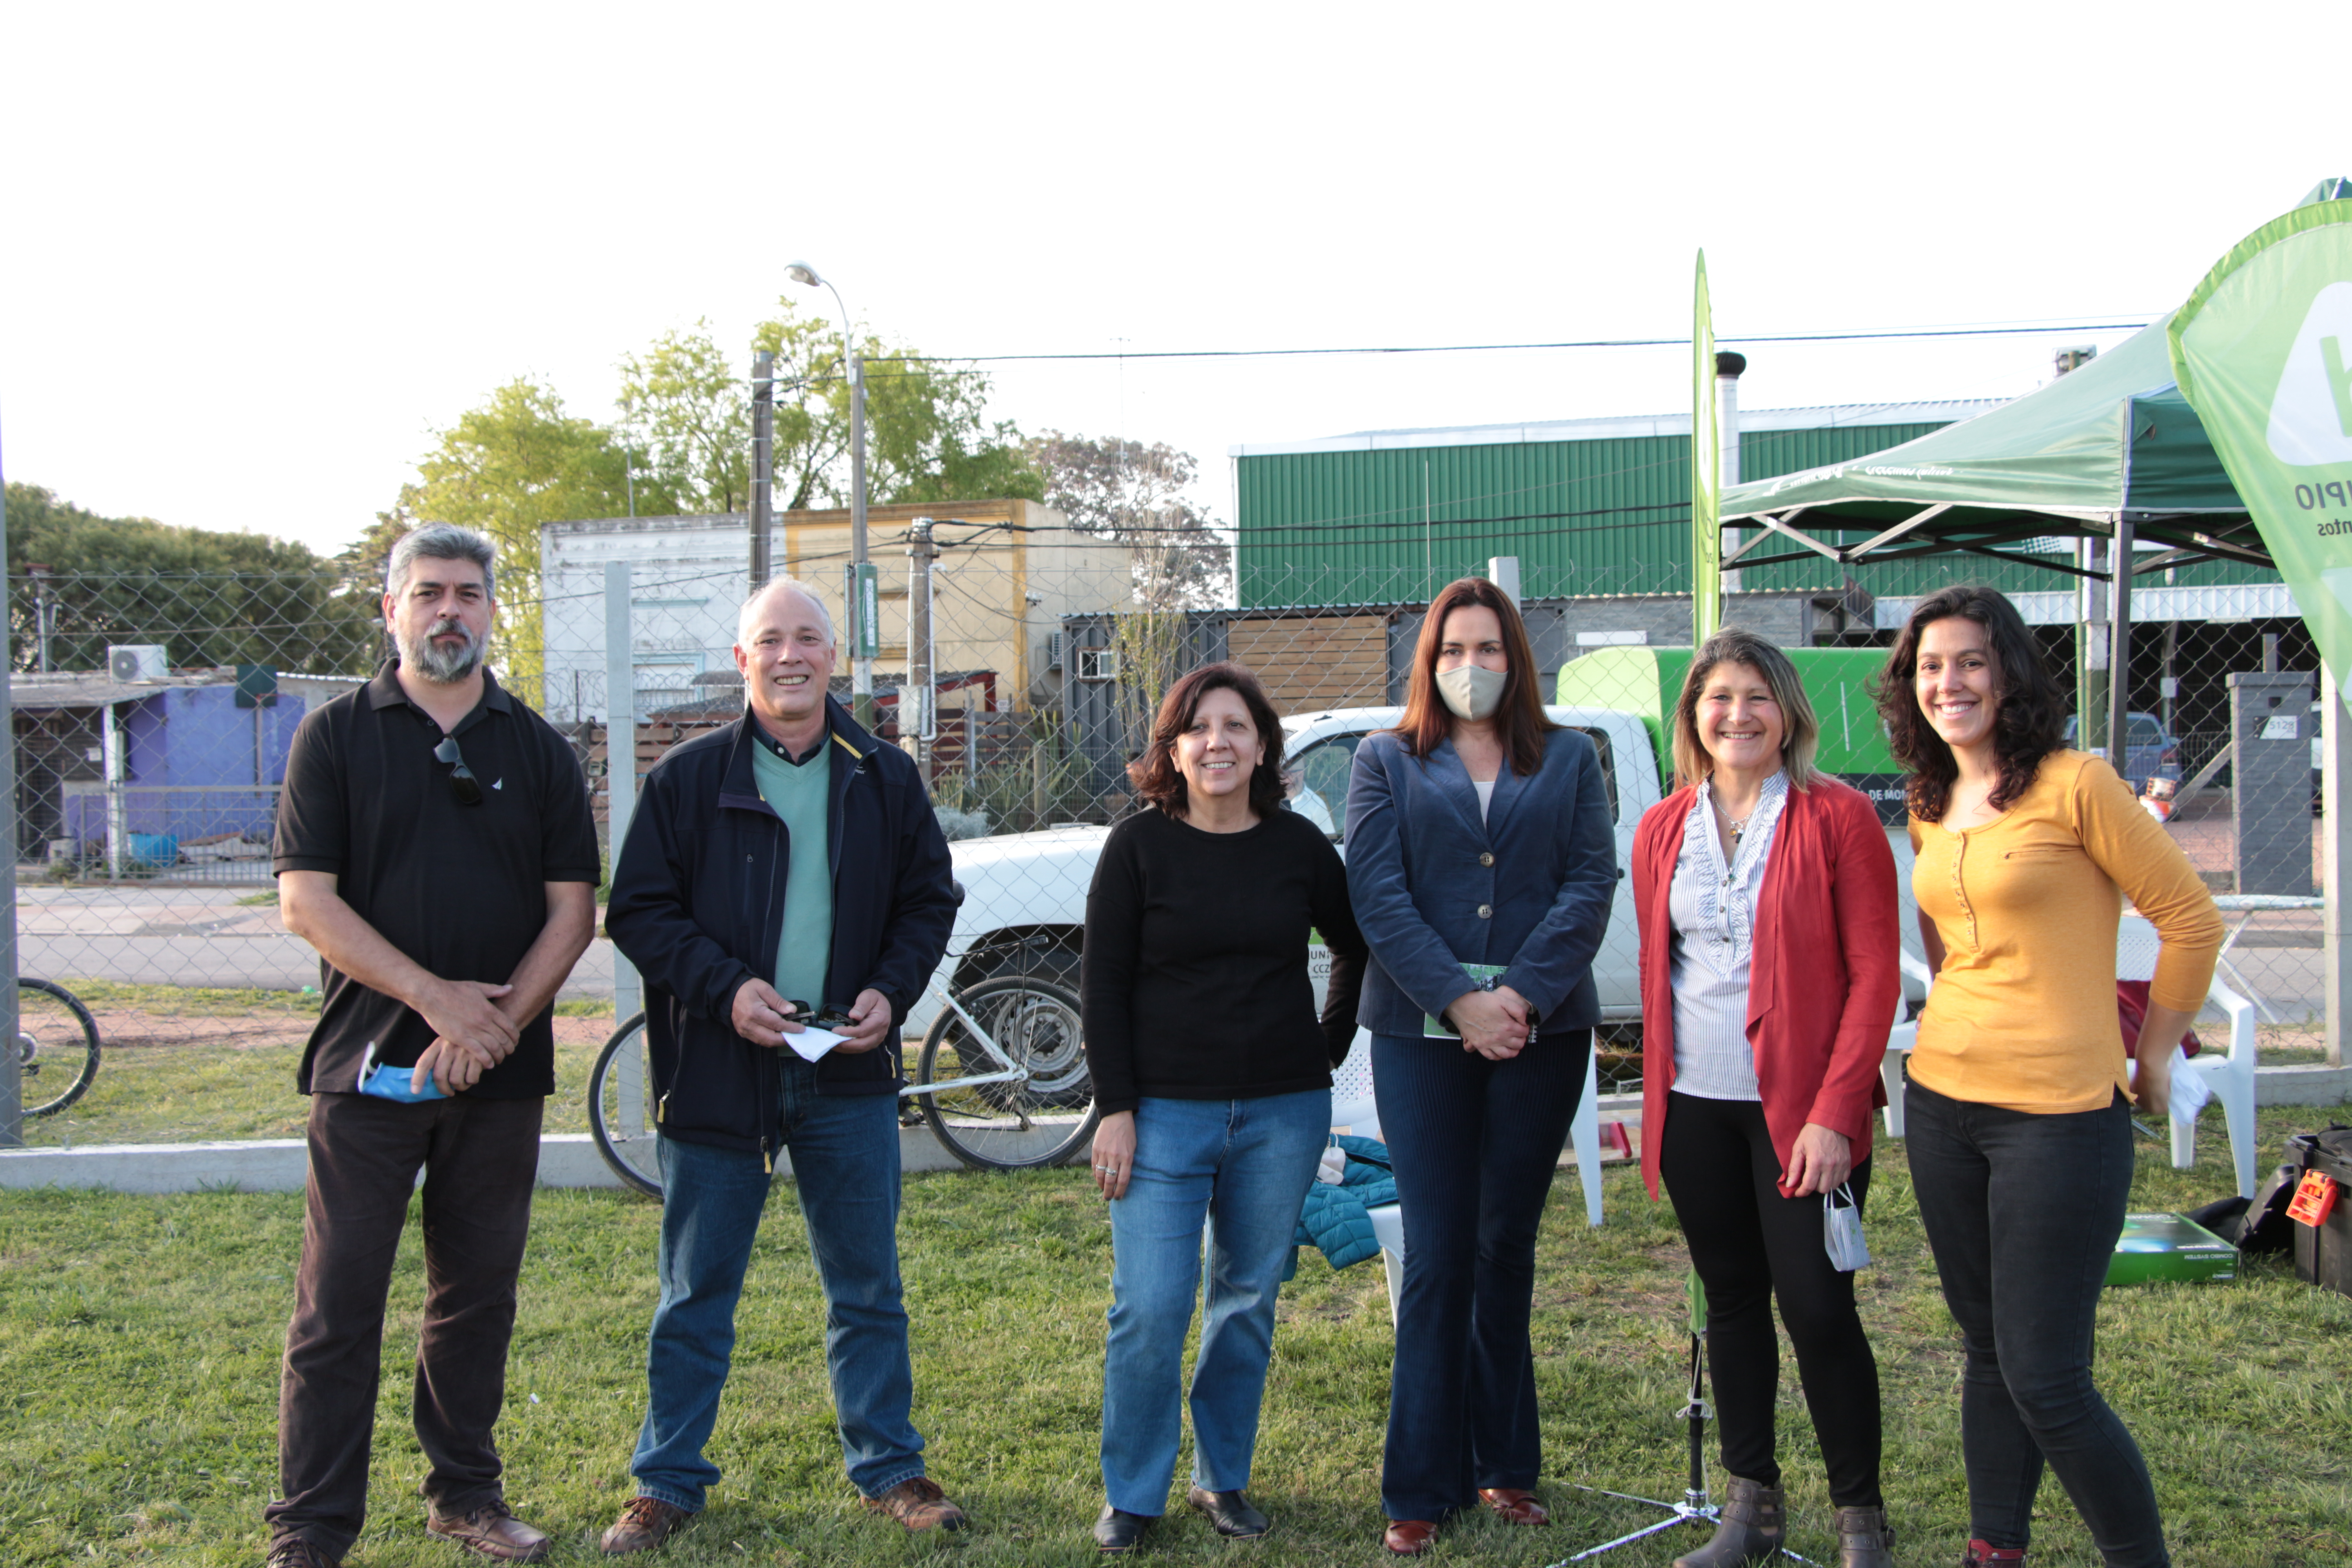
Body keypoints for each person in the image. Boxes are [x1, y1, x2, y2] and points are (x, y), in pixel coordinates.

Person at [599, 578, 964, 1555]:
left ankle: (890, 1468)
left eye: (809, 638)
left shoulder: (883, 775)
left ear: (833, 657)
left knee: (867, 1287)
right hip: (722, 1074)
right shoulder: (687, 780)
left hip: (846, 1070)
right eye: (771, 639)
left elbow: (930, 900)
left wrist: (892, 988)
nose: (790, 655)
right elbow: (636, 910)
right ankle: (666, 1481)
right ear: (742, 660)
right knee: (695, 1294)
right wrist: (724, 990)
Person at [264, 524, 601, 1568]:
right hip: (366, 1073)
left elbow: (574, 912)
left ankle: (466, 1496)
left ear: (493, 610)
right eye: (428, 593)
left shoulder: (537, 747)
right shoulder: (334, 736)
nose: (448, 609)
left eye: (468, 593)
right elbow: (305, 904)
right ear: (392, 610)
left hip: (498, 1082)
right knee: (339, 1303)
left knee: (476, 1297)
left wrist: (491, 1031)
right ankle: (312, 1531)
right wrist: (438, 1003)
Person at [1874, 584, 2221, 1568]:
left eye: (1972, 661)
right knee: (1986, 1350)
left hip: (2060, 1116)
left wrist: (2150, 1057)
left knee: (2048, 1377)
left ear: (2012, 673)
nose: (1950, 682)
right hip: (1942, 1102)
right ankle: (1997, 1549)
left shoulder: (2078, 784)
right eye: (1931, 665)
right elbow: (1946, 931)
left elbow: (2191, 921)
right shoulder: (1930, 797)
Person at [1343, 577, 1617, 1557]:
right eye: (1454, 651)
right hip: (1421, 1037)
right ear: (1429, 662)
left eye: (1490, 650)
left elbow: (1590, 883)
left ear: (1518, 659)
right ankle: (1420, 1483)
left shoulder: (1571, 759)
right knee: (1438, 1249)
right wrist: (1459, 1000)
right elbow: (1376, 893)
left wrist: (1524, 999)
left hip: (1541, 1035)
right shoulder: (1386, 762)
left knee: (1506, 1245)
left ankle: (1504, 1464)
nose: (1473, 667)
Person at [1081, 663, 1367, 1553]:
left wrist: (1323, 1050)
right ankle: (1134, 1493)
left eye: (1236, 726)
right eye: (1199, 728)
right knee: (1153, 1307)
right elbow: (1102, 987)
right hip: (1162, 1115)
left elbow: (1355, 949)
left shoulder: (1300, 849)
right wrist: (1116, 1109)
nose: (1218, 742)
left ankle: (1222, 1480)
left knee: (1246, 1297)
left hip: (1283, 1115)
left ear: (1262, 746)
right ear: (1173, 747)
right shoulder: (1137, 848)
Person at [1632, 629, 1901, 1568]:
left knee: (1819, 1309)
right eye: (1717, 698)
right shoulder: (1663, 825)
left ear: (1788, 711)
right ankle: (1751, 1510)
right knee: (1734, 1303)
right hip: (1695, 1104)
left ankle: (1860, 1519)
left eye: (1755, 696)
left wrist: (1837, 1110)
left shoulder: (1838, 818)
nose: (1736, 714)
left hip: (1803, 1114)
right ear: (1693, 717)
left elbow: (1875, 979)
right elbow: (1659, 971)